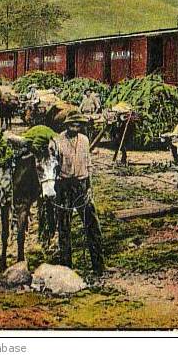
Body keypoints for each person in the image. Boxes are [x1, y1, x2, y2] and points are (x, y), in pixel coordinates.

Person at [49, 112, 104, 275]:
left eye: (78, 125)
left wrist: (89, 187)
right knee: (64, 226)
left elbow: (88, 164)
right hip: (64, 185)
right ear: (66, 125)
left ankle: (98, 266)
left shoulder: (85, 140)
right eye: (73, 125)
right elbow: (52, 165)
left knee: (92, 224)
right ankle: (66, 267)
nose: (75, 127)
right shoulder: (57, 141)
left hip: (81, 184)